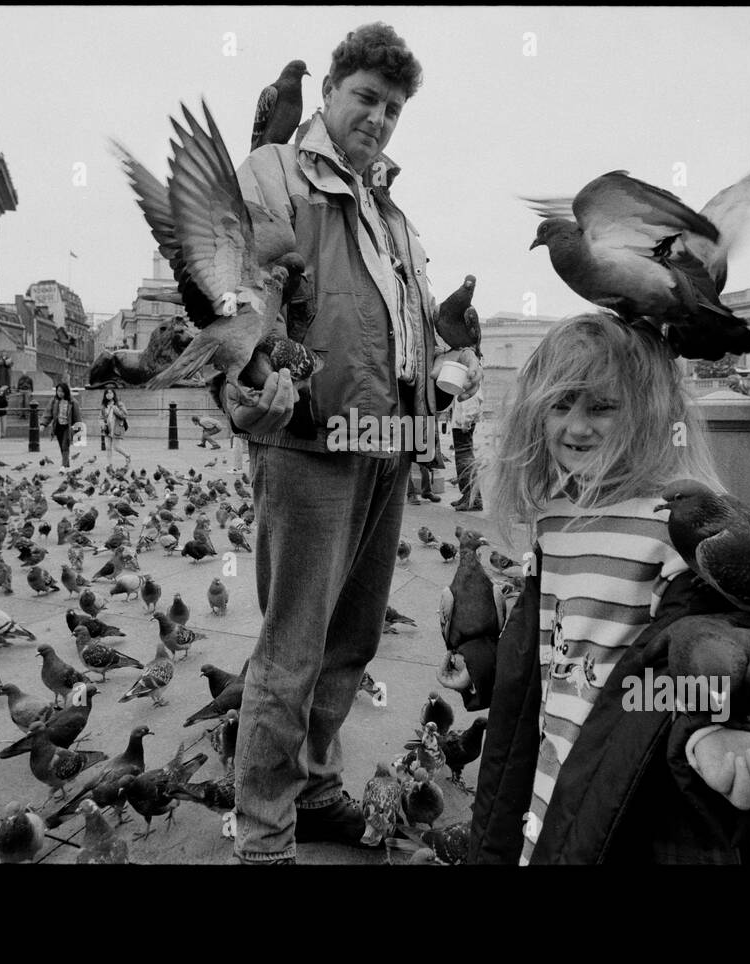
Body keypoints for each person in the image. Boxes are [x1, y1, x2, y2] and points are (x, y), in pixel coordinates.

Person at [221, 22, 482, 864]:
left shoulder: (394, 213)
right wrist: (250, 384)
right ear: (329, 89)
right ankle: (263, 835)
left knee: (352, 642)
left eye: (394, 108)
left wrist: (448, 371)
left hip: (389, 443)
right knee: (292, 649)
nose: (379, 117)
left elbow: (411, 327)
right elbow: (237, 298)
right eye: (367, 98)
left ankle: (317, 784)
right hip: (311, 443)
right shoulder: (274, 172)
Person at [440, 313, 750, 865]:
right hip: (552, 772)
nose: (576, 427)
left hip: (633, 792)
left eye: (601, 407)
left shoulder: (674, 523)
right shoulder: (556, 515)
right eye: (560, 405)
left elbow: (724, 638)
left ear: (653, 414)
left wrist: (718, 728)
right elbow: (557, 641)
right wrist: (485, 663)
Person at [449, 384, 484, 511]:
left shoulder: (470, 372)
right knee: (461, 460)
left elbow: (474, 399)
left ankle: (474, 498)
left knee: (465, 460)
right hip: (460, 423)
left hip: (463, 424)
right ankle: (467, 495)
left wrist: (467, 421)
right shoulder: (464, 372)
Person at [42, 382, 82, 470]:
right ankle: (66, 464)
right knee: (62, 446)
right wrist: (43, 424)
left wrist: (78, 430)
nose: (60, 393)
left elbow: (77, 417)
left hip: (67, 427)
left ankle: (63, 466)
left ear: (66, 392)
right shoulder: (54, 401)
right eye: (58, 391)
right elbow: (48, 413)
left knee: (65, 445)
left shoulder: (73, 402)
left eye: (62, 391)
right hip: (58, 427)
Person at [100, 388, 131, 469]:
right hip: (107, 429)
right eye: (107, 393)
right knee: (108, 448)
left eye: (110, 393)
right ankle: (109, 464)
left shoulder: (119, 404)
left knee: (116, 447)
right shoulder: (104, 406)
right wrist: (102, 423)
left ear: (114, 394)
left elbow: (124, 415)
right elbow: (101, 417)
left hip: (116, 428)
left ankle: (127, 455)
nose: (109, 394)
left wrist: (115, 409)